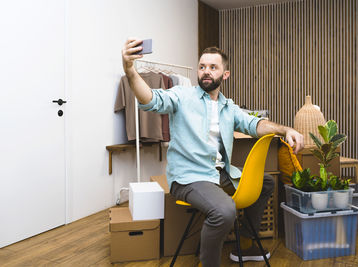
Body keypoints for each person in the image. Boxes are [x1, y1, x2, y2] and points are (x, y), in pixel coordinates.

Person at [121, 38, 304, 267]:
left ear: (225, 75)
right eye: (202, 67)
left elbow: (254, 124)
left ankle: (246, 244)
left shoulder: (229, 107)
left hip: (218, 174)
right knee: (224, 211)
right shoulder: (182, 95)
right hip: (188, 178)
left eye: (213, 67)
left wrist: (285, 129)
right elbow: (150, 100)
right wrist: (130, 70)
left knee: (265, 182)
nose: (206, 72)